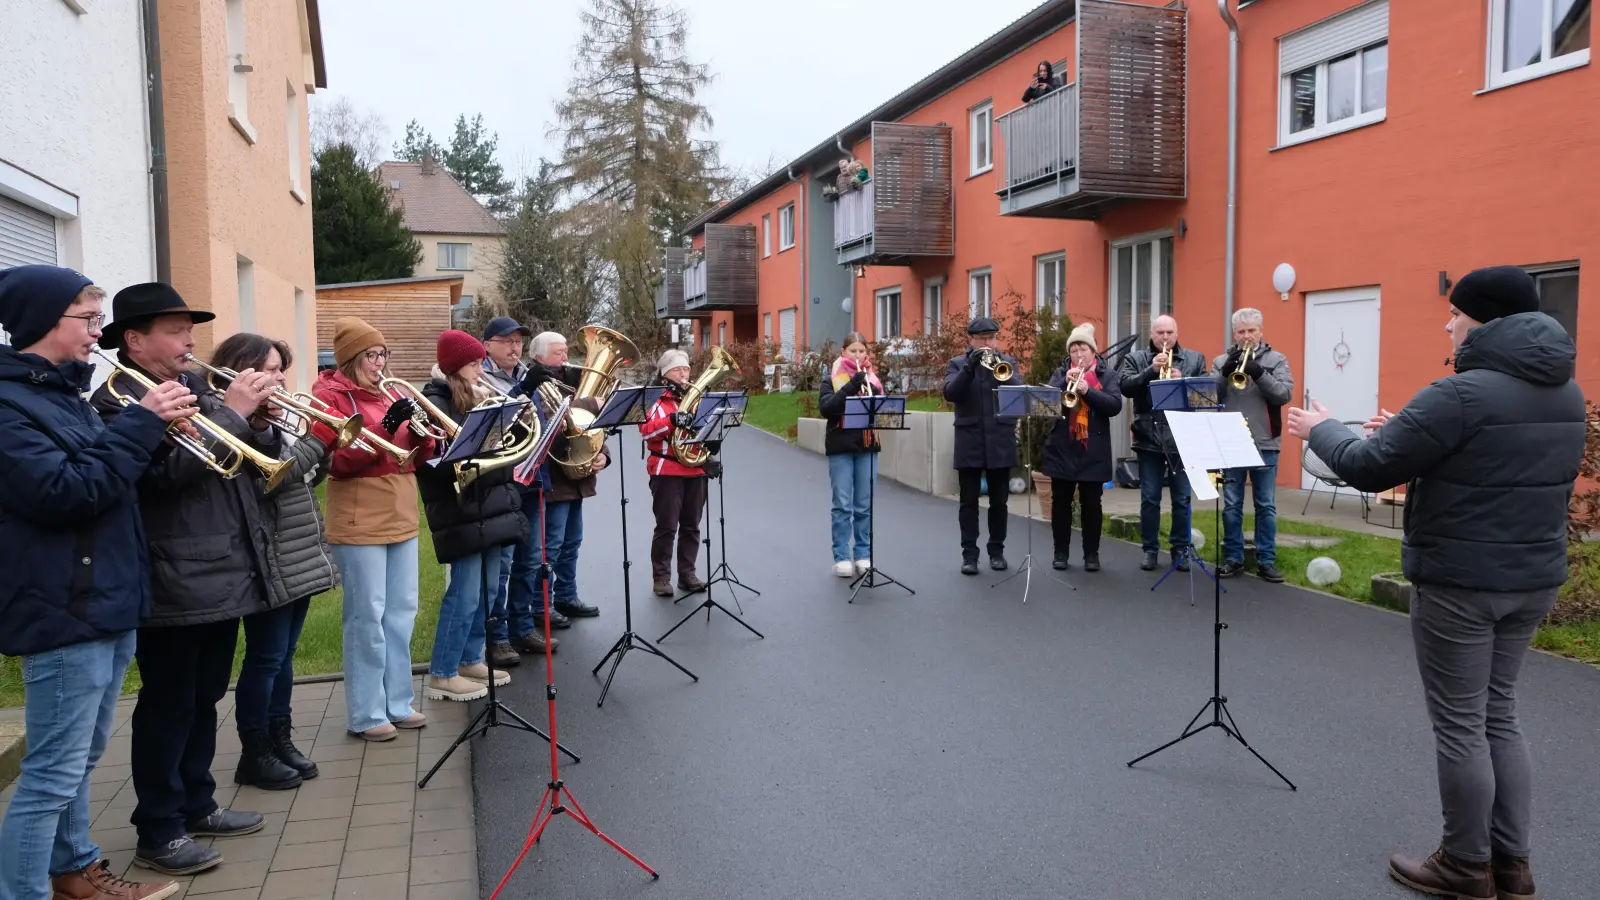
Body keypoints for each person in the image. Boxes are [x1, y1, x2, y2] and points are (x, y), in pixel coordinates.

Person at [1286, 266, 1584, 900]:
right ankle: (1513, 866)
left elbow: (1367, 468)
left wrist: (1323, 429)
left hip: (1461, 582)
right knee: (1499, 715)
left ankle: (1464, 864)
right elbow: (1487, 454)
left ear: (1482, 320)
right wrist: (1409, 430)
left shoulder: (1460, 394)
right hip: (1532, 578)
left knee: (1459, 723)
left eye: (1455, 313)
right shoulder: (1566, 393)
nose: (1446, 322)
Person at [0, 266, 186, 900]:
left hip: (104, 598)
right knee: (51, 773)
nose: (98, 331)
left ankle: (75, 873)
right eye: (86, 318)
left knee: (77, 761)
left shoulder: (60, 394)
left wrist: (153, 439)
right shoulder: (7, 404)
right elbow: (62, 492)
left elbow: (101, 476)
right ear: (42, 323)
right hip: (60, 606)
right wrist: (140, 426)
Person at [91, 284, 274, 876]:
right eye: (175, 331)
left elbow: (241, 467)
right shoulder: (117, 401)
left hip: (221, 565)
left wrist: (260, 421)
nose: (190, 341)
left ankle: (198, 802)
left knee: (204, 698)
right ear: (135, 340)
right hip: (170, 572)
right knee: (168, 704)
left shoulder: (196, 389)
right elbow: (163, 477)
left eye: (189, 330)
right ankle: (159, 828)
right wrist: (234, 414)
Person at [212, 334, 335, 792]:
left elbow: (304, 476)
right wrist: (318, 442)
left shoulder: (274, 419)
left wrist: (315, 451)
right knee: (264, 659)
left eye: (281, 368)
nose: (280, 377)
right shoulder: (234, 421)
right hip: (268, 555)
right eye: (270, 367)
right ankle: (255, 750)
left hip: (297, 550)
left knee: (284, 657)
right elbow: (270, 480)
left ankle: (281, 739)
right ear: (241, 369)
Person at [312, 318, 436, 742]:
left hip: (399, 507)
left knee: (402, 612)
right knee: (368, 616)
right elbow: (340, 461)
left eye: (383, 354)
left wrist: (422, 432)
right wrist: (384, 429)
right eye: (371, 355)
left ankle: (398, 702)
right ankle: (366, 713)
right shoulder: (328, 396)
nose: (379, 363)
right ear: (349, 359)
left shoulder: (391, 393)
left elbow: (417, 457)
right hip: (359, 513)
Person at [418, 331, 528, 701]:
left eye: (481, 362)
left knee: (489, 589)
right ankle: (443, 672)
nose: (481, 369)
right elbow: (435, 460)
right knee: (464, 593)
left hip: (493, 503)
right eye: (473, 363)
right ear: (453, 367)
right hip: (461, 509)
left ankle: (469, 658)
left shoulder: (485, 396)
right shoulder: (436, 401)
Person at [477, 315, 553, 666]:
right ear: (488, 344)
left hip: (533, 476)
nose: (515, 347)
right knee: (504, 565)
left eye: (519, 341)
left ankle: (523, 626)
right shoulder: (481, 376)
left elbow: (543, 421)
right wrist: (525, 390)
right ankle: (499, 636)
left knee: (531, 560)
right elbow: (497, 418)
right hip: (505, 480)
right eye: (507, 341)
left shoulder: (523, 373)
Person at [520, 331, 608, 621]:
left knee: (572, 543)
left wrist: (602, 454)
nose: (565, 356)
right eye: (558, 352)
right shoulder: (534, 382)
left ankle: (567, 596)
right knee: (550, 547)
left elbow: (591, 425)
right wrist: (590, 403)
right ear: (539, 356)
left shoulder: (574, 379)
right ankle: (540, 605)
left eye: (566, 350)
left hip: (578, 476)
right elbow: (551, 416)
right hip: (553, 476)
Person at [1117, 314, 1208, 572]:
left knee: (1182, 499)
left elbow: (1205, 395)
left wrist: (1183, 382)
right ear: (1152, 335)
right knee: (1149, 498)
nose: (1165, 338)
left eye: (1169, 333)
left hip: (1182, 438)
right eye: (1160, 333)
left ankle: (1180, 550)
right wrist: (1151, 371)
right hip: (1149, 437)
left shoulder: (1194, 359)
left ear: (1176, 334)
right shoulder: (1136, 359)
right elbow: (1126, 387)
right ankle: (1150, 550)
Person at [1212, 308, 1293, 583]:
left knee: (1266, 505)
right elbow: (1208, 397)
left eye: (1251, 331)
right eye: (1241, 331)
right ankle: (1233, 558)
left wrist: (1258, 372)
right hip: (1230, 441)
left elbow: (1283, 395)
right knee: (1232, 504)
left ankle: (1266, 561)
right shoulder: (1222, 360)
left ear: (1261, 331)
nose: (1247, 336)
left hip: (1264, 440)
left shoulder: (1276, 359)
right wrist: (1225, 372)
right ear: (1234, 333)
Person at [943, 317, 1024, 575]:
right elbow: (950, 393)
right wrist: (969, 367)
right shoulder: (957, 363)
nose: (988, 343)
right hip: (970, 440)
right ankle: (969, 555)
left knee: (999, 501)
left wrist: (998, 369)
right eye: (983, 339)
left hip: (1000, 439)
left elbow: (1019, 393)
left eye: (992, 338)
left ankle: (997, 552)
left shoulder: (1007, 363)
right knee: (968, 501)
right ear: (972, 340)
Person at [1042, 323, 1121, 572]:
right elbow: (1045, 403)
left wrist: (1087, 390)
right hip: (1063, 446)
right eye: (1074, 349)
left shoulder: (1106, 375)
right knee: (1060, 501)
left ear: (1093, 351)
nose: (1079, 354)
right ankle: (1061, 553)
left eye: (1083, 348)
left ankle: (1091, 554)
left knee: (1091, 503)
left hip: (1093, 448)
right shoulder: (1060, 372)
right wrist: (1063, 385)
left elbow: (1114, 405)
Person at [639, 349, 709, 596]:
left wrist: (711, 445)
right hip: (665, 469)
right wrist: (671, 420)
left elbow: (707, 428)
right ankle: (661, 577)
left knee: (692, 525)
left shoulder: (697, 398)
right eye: (678, 370)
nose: (684, 373)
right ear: (665, 375)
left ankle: (687, 574)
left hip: (694, 468)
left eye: (687, 368)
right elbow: (646, 431)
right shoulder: (653, 399)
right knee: (667, 525)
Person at [818, 333, 883, 577]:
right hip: (841, 447)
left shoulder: (873, 379)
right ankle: (842, 556)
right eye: (852, 351)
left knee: (864, 505)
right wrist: (851, 386)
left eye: (861, 351)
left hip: (867, 446)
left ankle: (864, 554)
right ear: (843, 352)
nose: (857, 355)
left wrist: (873, 391)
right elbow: (827, 408)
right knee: (843, 505)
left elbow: (882, 409)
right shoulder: (831, 379)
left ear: (866, 353)